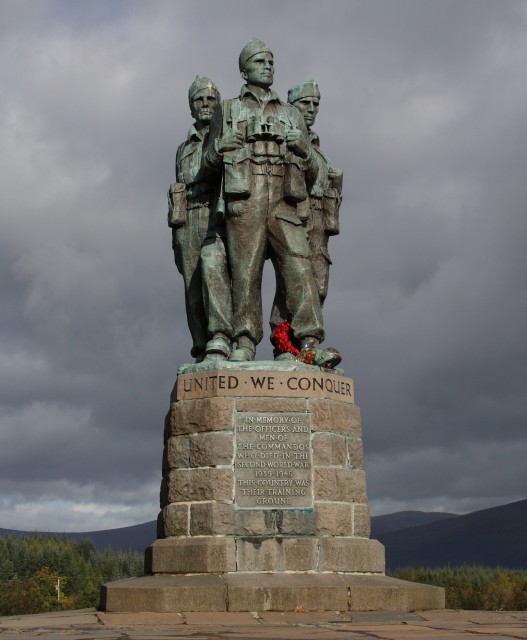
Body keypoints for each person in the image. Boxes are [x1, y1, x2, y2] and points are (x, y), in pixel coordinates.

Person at [205, 38, 337, 365]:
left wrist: (303, 150)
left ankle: (308, 341)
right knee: (245, 271)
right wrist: (222, 145)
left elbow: (314, 172)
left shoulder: (290, 113)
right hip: (245, 195)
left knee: (298, 265)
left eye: (271, 62)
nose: (268, 67)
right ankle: (244, 340)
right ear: (243, 69)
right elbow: (205, 165)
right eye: (260, 61)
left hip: (283, 197)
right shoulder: (229, 108)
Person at [270, 80, 343, 362]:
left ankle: (302, 348)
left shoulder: (316, 147)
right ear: (292, 107)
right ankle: (286, 343)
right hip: (292, 215)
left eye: (315, 104)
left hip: (318, 222)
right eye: (305, 104)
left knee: (318, 285)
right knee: (292, 281)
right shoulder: (286, 139)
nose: (311, 109)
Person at [168, 76, 232, 362]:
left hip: (215, 213)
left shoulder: (224, 136)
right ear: (191, 107)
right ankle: (201, 347)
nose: (205, 104)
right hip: (187, 219)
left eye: (210, 99)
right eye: (199, 100)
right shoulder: (183, 148)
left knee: (212, 270)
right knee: (193, 291)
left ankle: (221, 337)